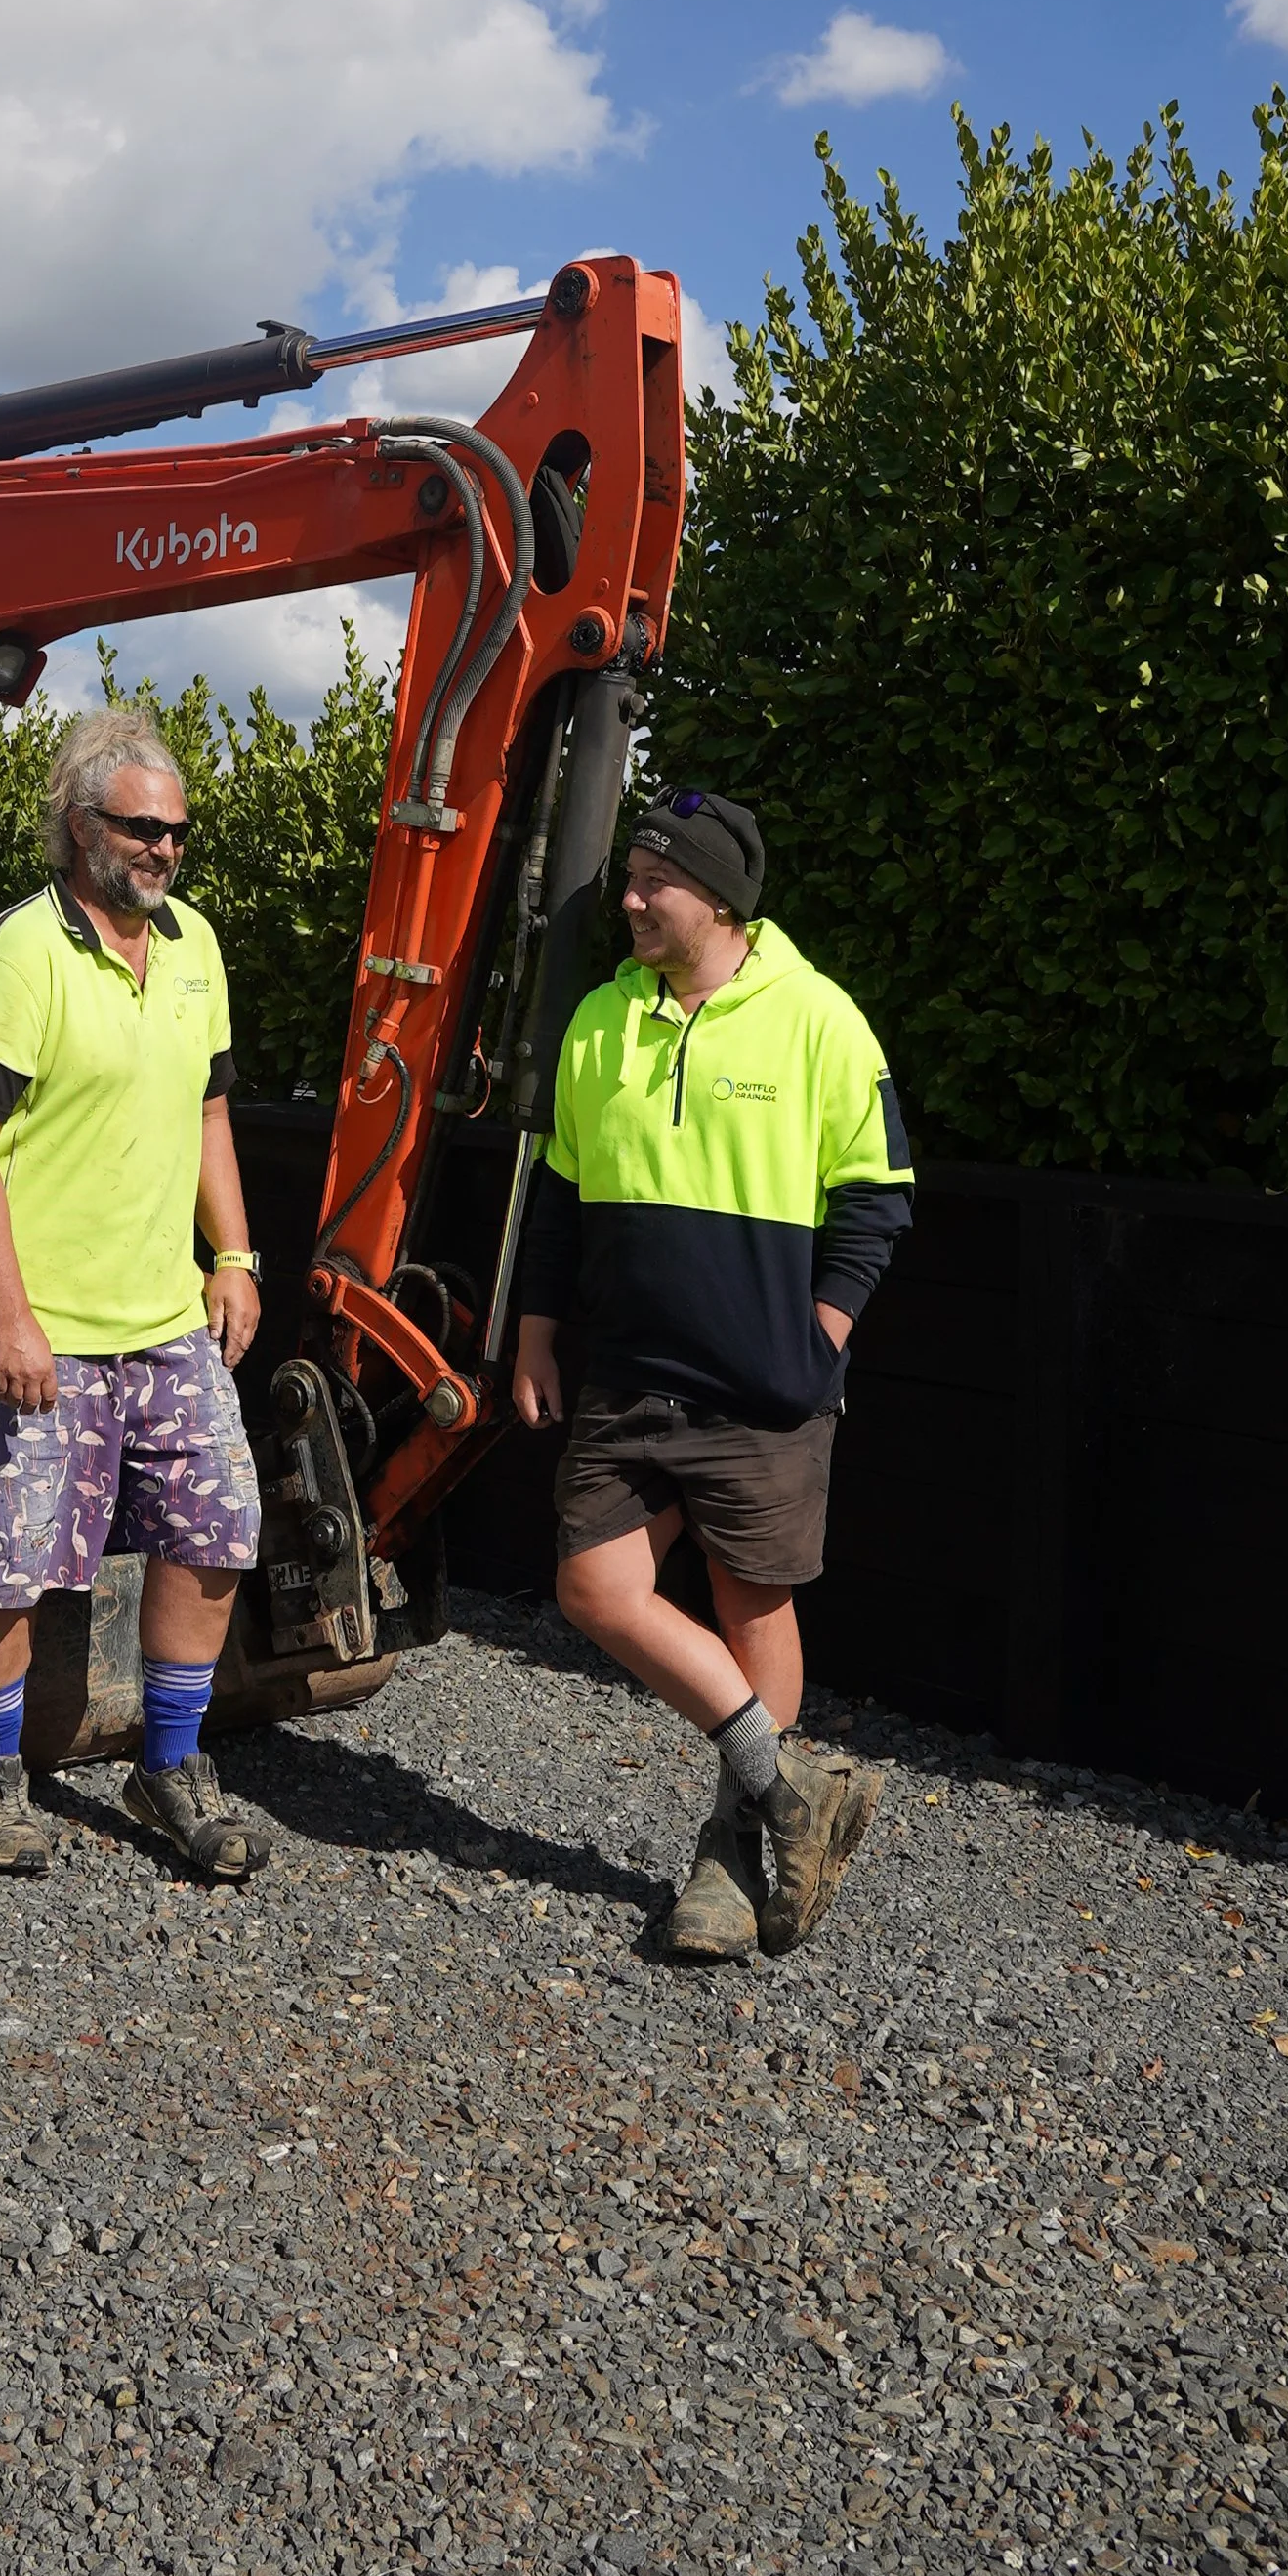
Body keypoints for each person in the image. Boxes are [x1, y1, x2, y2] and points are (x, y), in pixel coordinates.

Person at [510, 787, 912, 1960]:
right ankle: (789, 1786)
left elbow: (876, 1203)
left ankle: (735, 1870)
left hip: (760, 1391)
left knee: (752, 1605)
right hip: (627, 1377)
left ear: (721, 899)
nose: (629, 898)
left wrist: (817, 1340)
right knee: (594, 1590)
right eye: (630, 875)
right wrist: (536, 1333)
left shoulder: (819, 1020)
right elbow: (561, 1200)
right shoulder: (598, 1020)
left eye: (654, 881)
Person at [0, 706, 270, 1881]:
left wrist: (235, 1255)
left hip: (160, 1314)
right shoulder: (22, 950)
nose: (162, 848)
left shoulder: (196, 945)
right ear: (78, 830)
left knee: (215, 1527)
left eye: (176, 831)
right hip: (26, 1317)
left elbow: (210, 1107)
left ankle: (169, 1766)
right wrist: (12, 1319)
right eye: (138, 828)